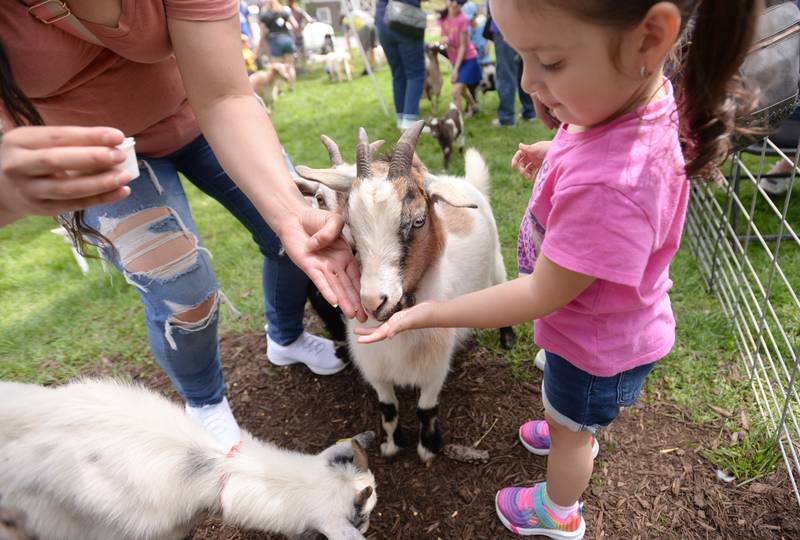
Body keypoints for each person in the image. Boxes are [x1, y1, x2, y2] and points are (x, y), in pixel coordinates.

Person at [354, 0, 758, 537]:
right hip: (608, 330)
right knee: (570, 412)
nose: (526, 83)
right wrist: (561, 150)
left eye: (550, 61)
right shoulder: (628, 102)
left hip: (591, 350)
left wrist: (430, 311)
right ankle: (572, 422)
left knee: (573, 433)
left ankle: (558, 508)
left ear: (647, 40)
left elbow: (537, 294)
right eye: (521, 56)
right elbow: (606, 144)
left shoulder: (607, 186)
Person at [0, 0, 365, 452]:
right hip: (96, 153)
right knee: (181, 286)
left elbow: (226, 95)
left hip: (200, 115)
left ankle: (284, 337)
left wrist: (288, 214)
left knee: (299, 235)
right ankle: (205, 402)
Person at [375, 0, 426, 130]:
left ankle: (401, 118)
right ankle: (409, 122)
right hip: (405, 21)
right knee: (416, 74)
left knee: (398, 74)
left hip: (383, 20)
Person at [485, 0, 535, 127]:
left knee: (506, 74)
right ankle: (529, 112)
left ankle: (506, 117)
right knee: (525, 70)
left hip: (503, 26)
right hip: (526, 26)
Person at [439, 0, 481, 117]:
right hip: (454, 59)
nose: (455, 4)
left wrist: (456, 69)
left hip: (468, 59)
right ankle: (474, 106)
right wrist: (444, 39)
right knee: (462, 89)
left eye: (459, 1)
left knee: (456, 91)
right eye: (452, 0)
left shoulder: (462, 20)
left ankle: (458, 125)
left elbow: (463, 46)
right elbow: (443, 35)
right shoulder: (443, 18)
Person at [260, 0, 298, 89]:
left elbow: (262, 31)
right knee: (290, 66)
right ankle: (291, 87)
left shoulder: (265, 15)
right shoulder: (284, 12)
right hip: (287, 39)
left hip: (275, 41)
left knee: (277, 68)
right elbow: (295, 25)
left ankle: (279, 89)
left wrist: (263, 41)